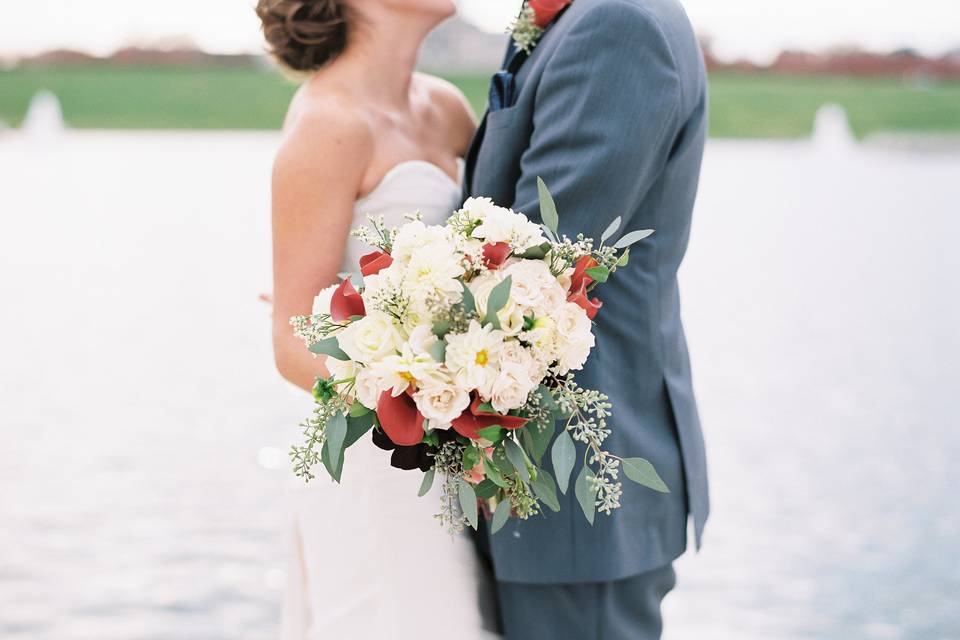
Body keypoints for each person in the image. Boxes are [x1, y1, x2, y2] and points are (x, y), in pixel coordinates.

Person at [463, 0, 710, 638]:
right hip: (549, 490)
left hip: (578, 488)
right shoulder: (583, 18)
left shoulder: (617, 27)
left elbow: (537, 274)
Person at [257, 0, 496, 637]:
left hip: (457, 465)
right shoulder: (327, 125)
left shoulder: (446, 108)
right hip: (379, 464)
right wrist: (437, 419)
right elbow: (289, 340)